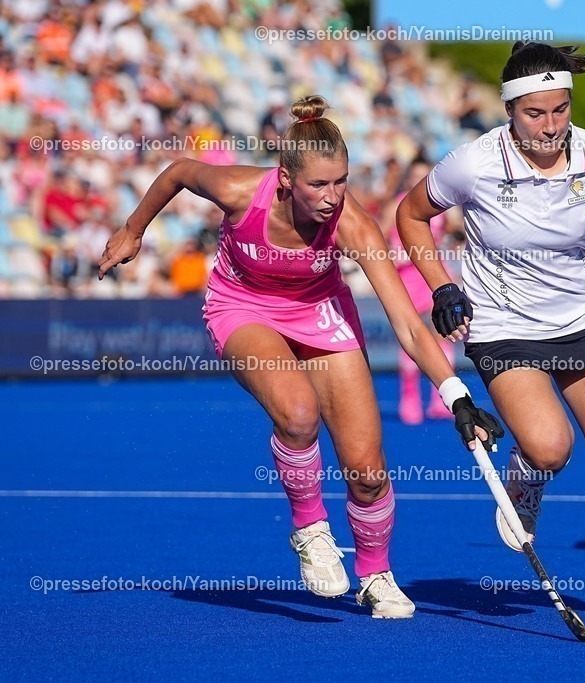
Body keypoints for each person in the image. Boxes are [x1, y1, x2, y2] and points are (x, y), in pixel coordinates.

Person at [98, 95, 503, 618]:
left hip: (320, 312)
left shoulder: (353, 224)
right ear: (286, 179)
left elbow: (406, 321)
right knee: (296, 412)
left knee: (368, 471)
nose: (334, 197)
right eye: (319, 184)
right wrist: (134, 229)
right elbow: (178, 172)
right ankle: (311, 530)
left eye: (341, 181)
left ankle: (376, 575)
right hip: (242, 306)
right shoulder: (239, 191)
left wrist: (457, 396)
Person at [398, 42, 585, 621]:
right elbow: (410, 216)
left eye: (561, 110)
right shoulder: (472, 163)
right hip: (502, 326)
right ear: (509, 109)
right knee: (550, 447)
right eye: (536, 114)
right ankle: (526, 478)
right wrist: (441, 284)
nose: (551, 126)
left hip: (579, 322)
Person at [379, 156, 456, 424]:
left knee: (442, 334)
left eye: (425, 176)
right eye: (416, 175)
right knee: (411, 335)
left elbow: (447, 236)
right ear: (408, 177)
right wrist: (395, 256)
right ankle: (409, 398)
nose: (419, 181)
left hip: (433, 273)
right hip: (407, 277)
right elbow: (379, 240)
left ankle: (441, 398)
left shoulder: (440, 208)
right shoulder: (395, 205)